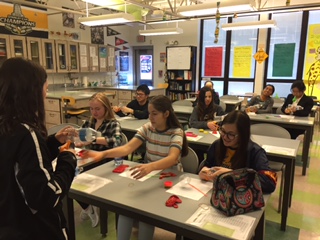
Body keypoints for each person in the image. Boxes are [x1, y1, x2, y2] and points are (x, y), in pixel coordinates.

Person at [81, 95, 188, 240]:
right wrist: (103, 154)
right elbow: (127, 148)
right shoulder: (148, 128)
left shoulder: (176, 132)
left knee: (145, 217)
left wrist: (150, 166)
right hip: (151, 176)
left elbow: (172, 158)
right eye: (149, 113)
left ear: (166, 114)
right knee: (127, 211)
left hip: (170, 179)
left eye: (154, 114)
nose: (150, 117)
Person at [0, 58, 77, 240]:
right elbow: (47, 196)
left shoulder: (8, 126)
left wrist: (51, 143)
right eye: (45, 87)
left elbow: (18, 164)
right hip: (36, 230)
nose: (46, 92)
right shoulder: (27, 133)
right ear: (31, 91)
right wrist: (68, 159)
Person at [199, 110, 277, 194]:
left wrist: (233, 175)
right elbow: (207, 165)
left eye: (231, 134)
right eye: (223, 131)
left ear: (242, 135)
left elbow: (270, 183)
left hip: (239, 197)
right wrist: (204, 171)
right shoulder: (217, 145)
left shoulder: (255, 152)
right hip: (217, 193)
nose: (225, 137)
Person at [76, 92, 123, 228]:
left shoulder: (113, 123)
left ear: (106, 108)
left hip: (105, 161)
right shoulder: (89, 122)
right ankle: (87, 207)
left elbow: (117, 141)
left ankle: (89, 204)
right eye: (91, 109)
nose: (94, 112)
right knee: (69, 174)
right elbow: (81, 138)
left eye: (98, 109)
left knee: (78, 175)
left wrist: (94, 139)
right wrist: (78, 140)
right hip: (89, 158)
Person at [189, 86, 225, 162]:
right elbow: (192, 123)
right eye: (205, 97)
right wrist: (207, 124)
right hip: (200, 137)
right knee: (195, 149)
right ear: (201, 98)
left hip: (214, 138)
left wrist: (218, 126)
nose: (208, 99)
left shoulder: (218, 108)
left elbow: (224, 123)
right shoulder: (197, 108)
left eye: (210, 97)